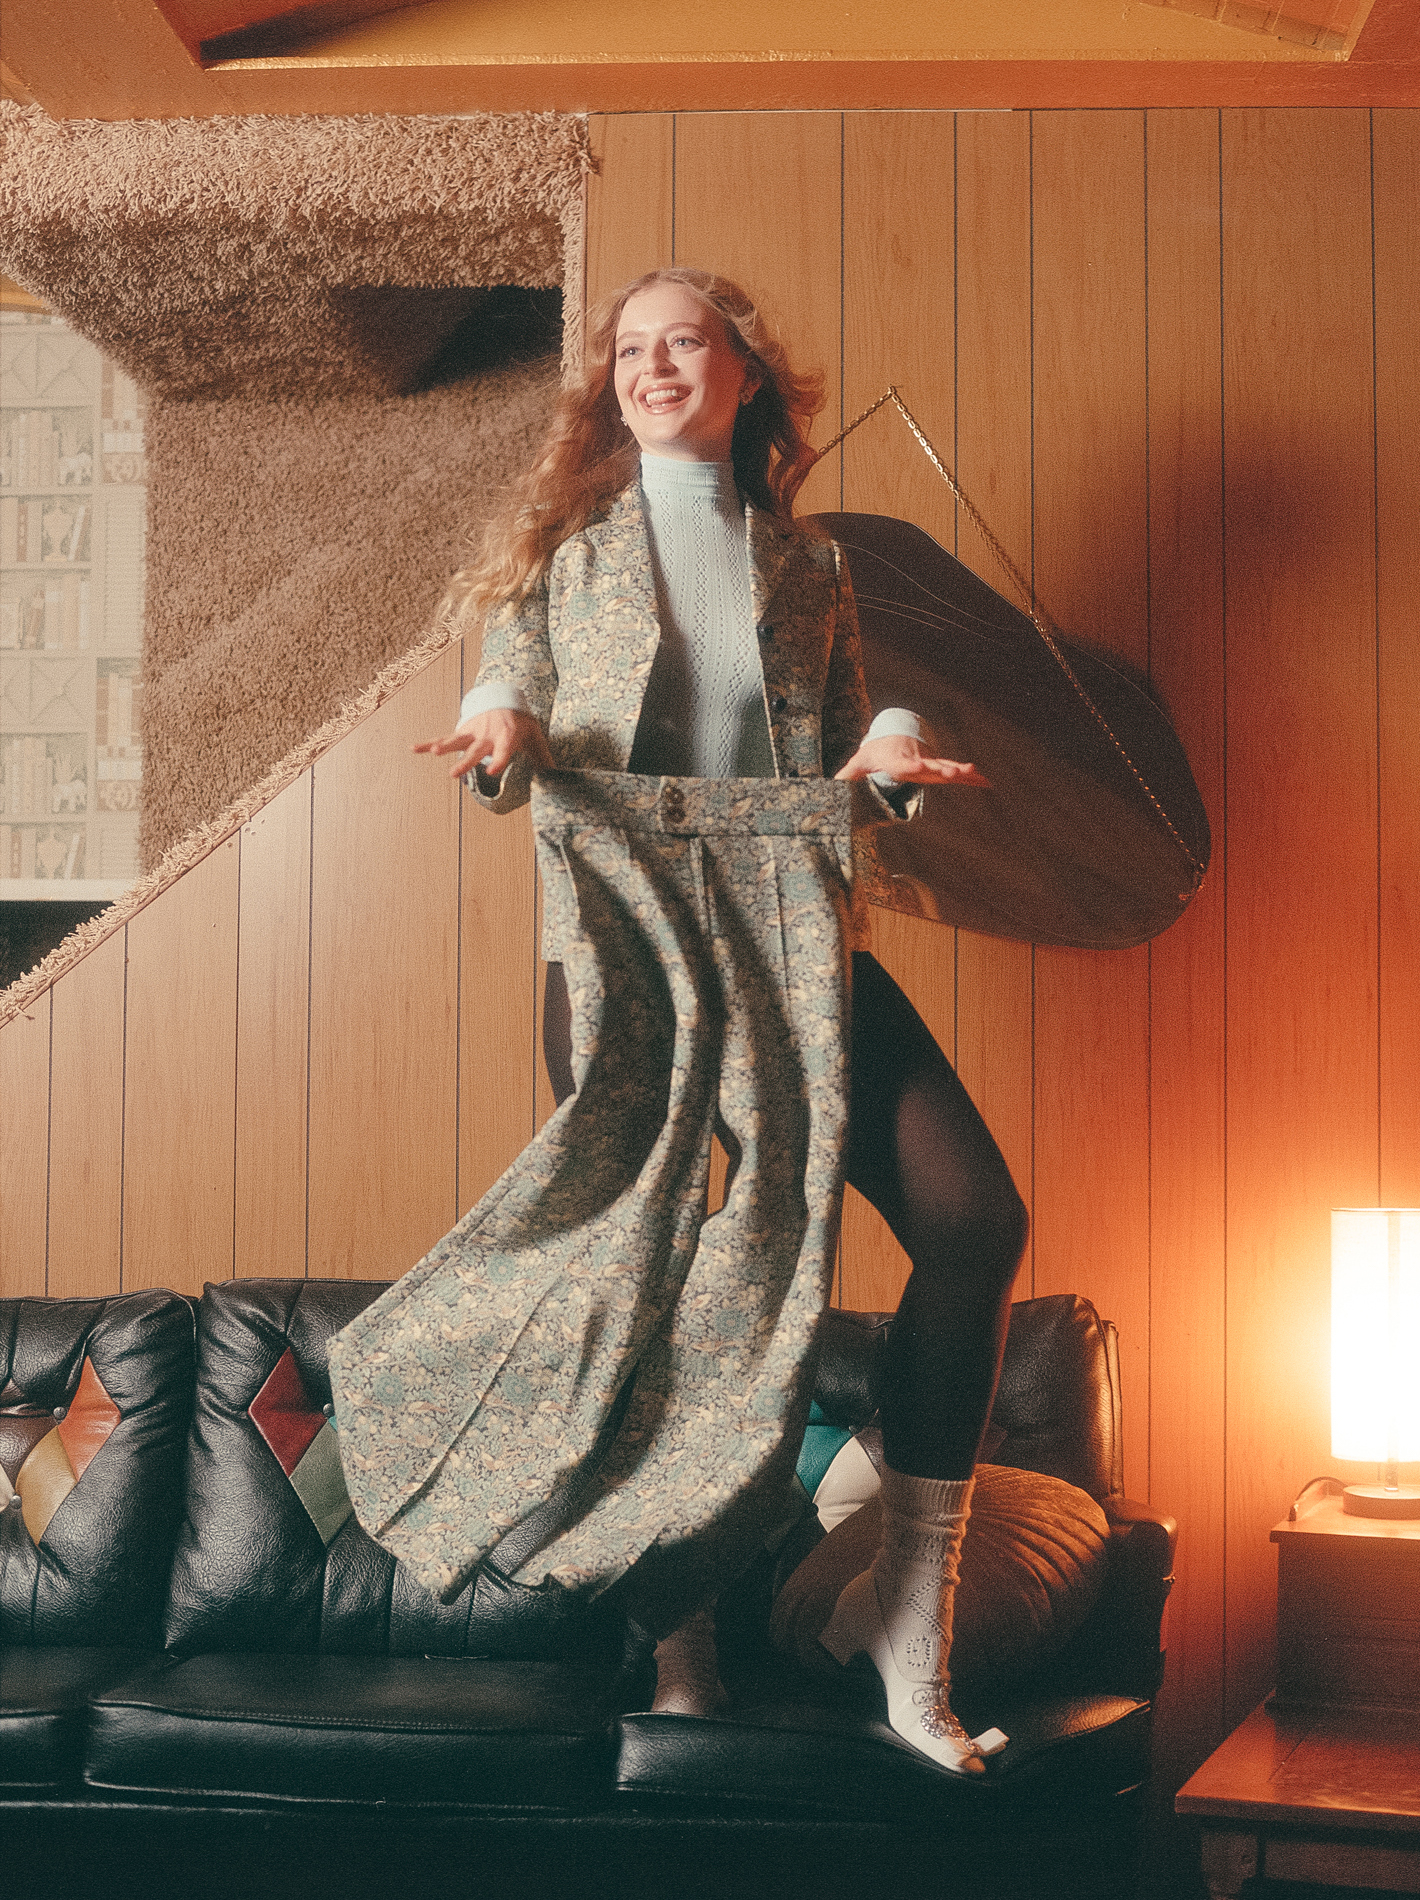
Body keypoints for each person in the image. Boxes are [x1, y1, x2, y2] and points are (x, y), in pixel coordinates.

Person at [415, 267, 1028, 1776]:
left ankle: (906, 1624)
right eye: (629, 349)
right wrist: (501, 733)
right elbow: (512, 700)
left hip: (790, 934)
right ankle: (678, 1640)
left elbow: (850, 736)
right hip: (628, 948)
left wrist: (897, 747)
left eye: (682, 341)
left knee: (974, 1217)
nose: (652, 367)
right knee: (662, 1277)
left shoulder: (809, 564)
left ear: (744, 373)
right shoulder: (562, 558)